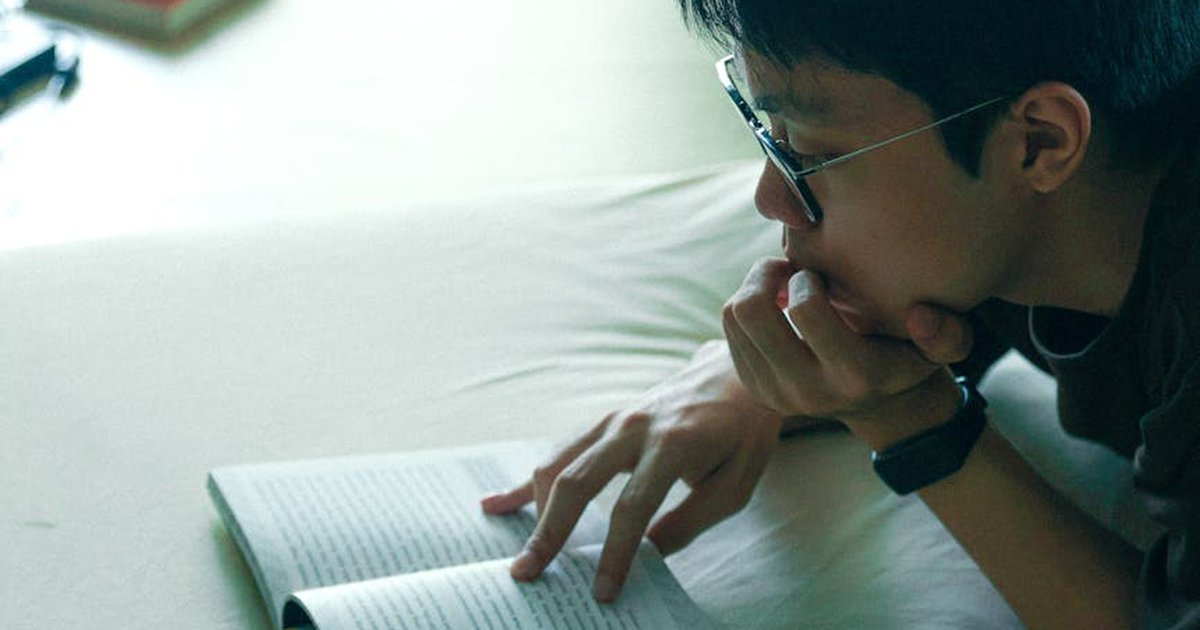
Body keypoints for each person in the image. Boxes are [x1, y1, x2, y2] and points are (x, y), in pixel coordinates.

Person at [482, 1, 1200, 627]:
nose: (771, 198)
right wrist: (755, 378)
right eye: (771, 137)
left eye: (814, 155)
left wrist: (915, 425)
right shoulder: (1025, 217)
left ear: (1040, 142)